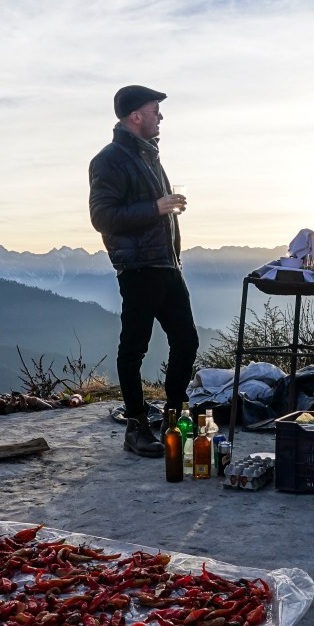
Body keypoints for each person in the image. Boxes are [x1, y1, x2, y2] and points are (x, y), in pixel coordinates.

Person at [89, 85, 199, 457]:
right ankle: (135, 427)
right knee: (133, 349)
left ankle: (172, 416)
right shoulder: (109, 160)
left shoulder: (149, 157)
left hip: (167, 265)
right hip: (138, 269)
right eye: (156, 110)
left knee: (187, 341)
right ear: (136, 115)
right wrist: (156, 207)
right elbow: (102, 217)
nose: (161, 117)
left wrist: (163, 208)